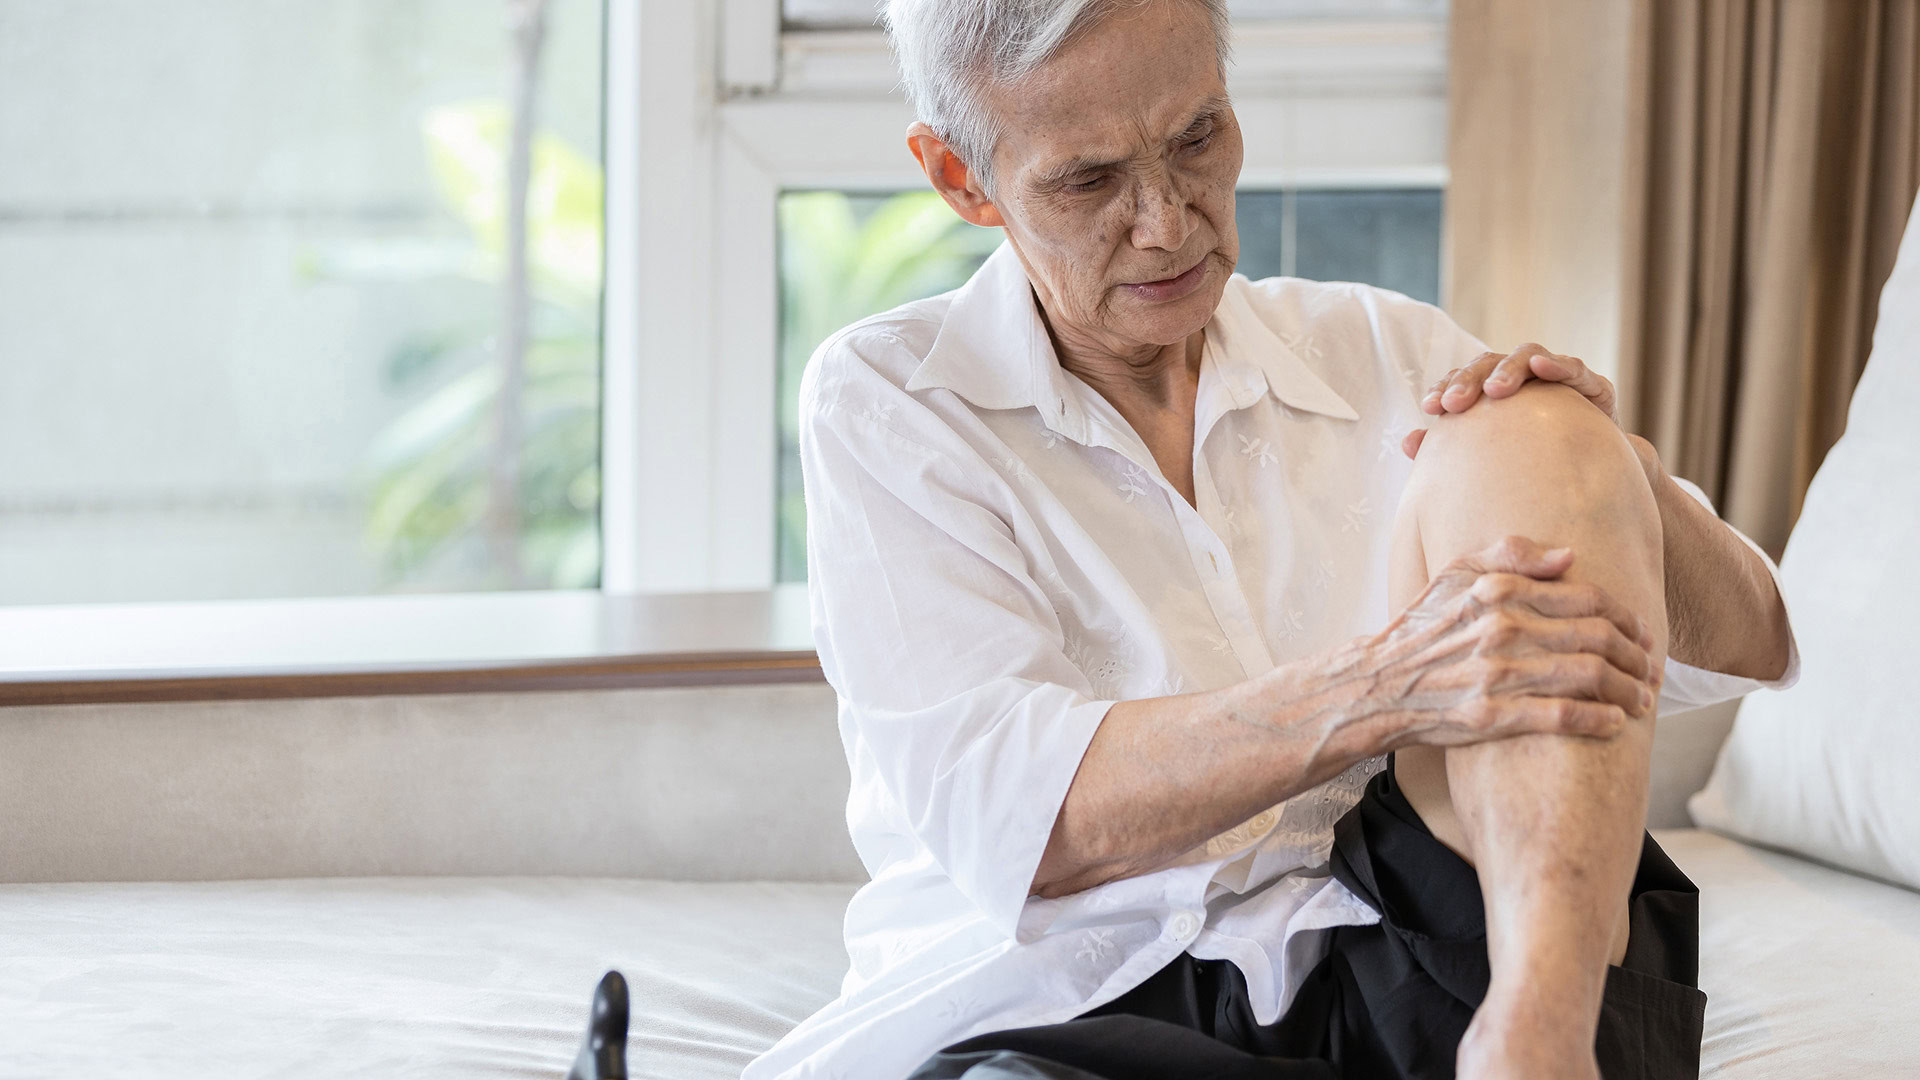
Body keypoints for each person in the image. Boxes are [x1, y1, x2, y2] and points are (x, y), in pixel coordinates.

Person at [743, 2, 1797, 1077]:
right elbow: (1027, 823)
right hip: (1083, 1012)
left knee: (1532, 426)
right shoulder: (893, 399)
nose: (1167, 221)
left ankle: (1540, 1039)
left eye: (1198, 139)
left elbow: (1752, 638)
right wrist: (1390, 685)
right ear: (962, 179)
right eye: (1090, 180)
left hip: (1434, 971)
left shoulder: (1384, 347)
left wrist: (1599, 469)